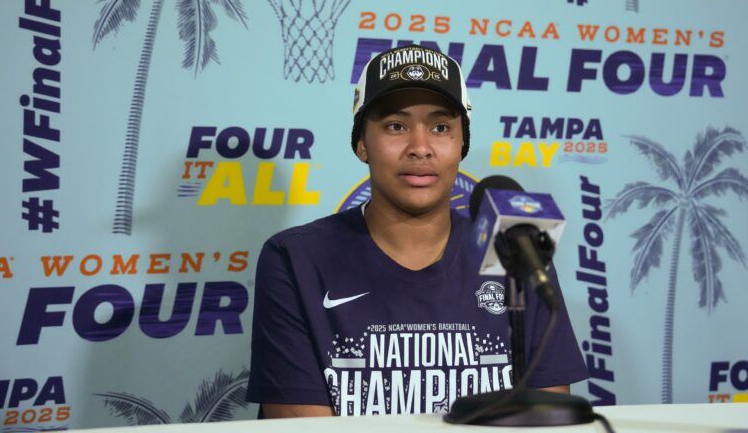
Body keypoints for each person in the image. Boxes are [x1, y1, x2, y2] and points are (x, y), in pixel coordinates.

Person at [246, 45, 588, 418]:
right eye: (396, 126)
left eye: (441, 128)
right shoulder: (296, 259)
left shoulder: (515, 248)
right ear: (362, 142)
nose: (420, 148)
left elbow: (548, 421)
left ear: (461, 144)